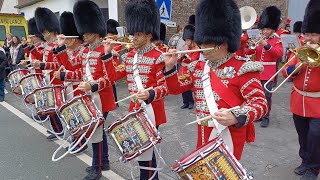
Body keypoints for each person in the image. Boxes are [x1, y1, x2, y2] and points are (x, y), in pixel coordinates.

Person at [163, 0, 267, 160]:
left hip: (229, 135)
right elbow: (175, 89)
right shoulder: (198, 67)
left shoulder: (243, 68)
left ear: (224, 43)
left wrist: (235, 115)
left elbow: (260, 104)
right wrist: (170, 68)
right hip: (203, 134)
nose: (203, 45)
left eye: (208, 42)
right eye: (202, 40)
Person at [103, 0, 168, 179]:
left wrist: (150, 93)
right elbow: (113, 77)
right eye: (133, 34)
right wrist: (107, 54)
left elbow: (165, 88)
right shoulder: (130, 56)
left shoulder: (158, 56)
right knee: (140, 150)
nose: (134, 38)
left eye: (138, 34)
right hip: (135, 109)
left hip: (151, 110)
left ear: (148, 34)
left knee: (147, 151)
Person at [57, 1, 116, 179]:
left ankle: (96, 168)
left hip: (102, 97)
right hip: (90, 96)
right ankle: (103, 161)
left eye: (87, 32)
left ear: (96, 32)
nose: (84, 34)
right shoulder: (87, 51)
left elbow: (110, 77)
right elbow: (81, 73)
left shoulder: (104, 51)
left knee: (95, 133)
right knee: (98, 132)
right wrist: (66, 76)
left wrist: (93, 85)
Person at [282, 0, 320, 179]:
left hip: (318, 103)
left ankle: (313, 167)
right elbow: (285, 72)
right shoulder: (299, 50)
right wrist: (296, 66)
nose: (310, 38)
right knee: (302, 134)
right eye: (308, 33)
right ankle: (305, 161)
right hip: (299, 101)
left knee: (315, 137)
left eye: (314, 34)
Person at [245, 6, 283, 127]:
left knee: (267, 95)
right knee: (257, 94)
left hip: (269, 72)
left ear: (273, 29)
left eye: (267, 29)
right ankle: (259, 114)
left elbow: (278, 54)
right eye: (263, 28)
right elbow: (247, 53)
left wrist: (266, 45)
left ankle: (266, 116)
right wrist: (251, 46)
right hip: (257, 71)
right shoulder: (258, 38)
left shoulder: (276, 40)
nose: (264, 31)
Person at [31, 7, 64, 140]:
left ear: (51, 31)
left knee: (60, 109)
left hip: (57, 79)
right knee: (50, 107)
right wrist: (32, 51)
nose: (43, 34)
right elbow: (42, 57)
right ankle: (58, 130)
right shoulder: (48, 44)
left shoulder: (57, 44)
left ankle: (70, 134)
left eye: (44, 32)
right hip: (49, 78)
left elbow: (58, 64)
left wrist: (42, 65)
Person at [178, 24, 198, 109]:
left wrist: (186, 55)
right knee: (182, 87)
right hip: (182, 70)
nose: (186, 42)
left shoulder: (196, 49)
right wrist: (180, 56)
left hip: (189, 70)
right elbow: (179, 61)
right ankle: (185, 102)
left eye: (188, 40)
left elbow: (193, 60)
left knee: (188, 87)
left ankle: (190, 102)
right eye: (185, 40)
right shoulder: (188, 49)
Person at [106, 19, 121, 107]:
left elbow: (117, 52)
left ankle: (115, 101)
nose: (109, 36)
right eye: (109, 34)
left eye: (111, 34)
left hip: (113, 64)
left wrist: (108, 49)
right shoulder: (106, 40)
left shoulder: (117, 42)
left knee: (112, 83)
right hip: (106, 63)